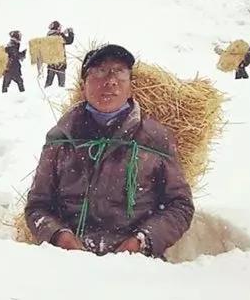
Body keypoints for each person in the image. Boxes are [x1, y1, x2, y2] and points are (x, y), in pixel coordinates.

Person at [25, 44, 194, 258]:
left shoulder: (154, 138)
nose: (110, 81)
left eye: (120, 72)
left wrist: (141, 241)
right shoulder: (61, 137)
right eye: (100, 71)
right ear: (83, 84)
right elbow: (37, 206)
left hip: (137, 265)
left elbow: (180, 206)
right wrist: (60, 237)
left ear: (131, 86)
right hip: (67, 262)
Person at [42, 20, 74, 88]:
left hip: (51, 64)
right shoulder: (60, 36)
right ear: (57, 28)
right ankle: (60, 98)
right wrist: (70, 32)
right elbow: (69, 41)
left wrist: (62, 33)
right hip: (60, 64)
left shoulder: (48, 36)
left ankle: (43, 96)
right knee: (61, 85)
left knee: (48, 83)